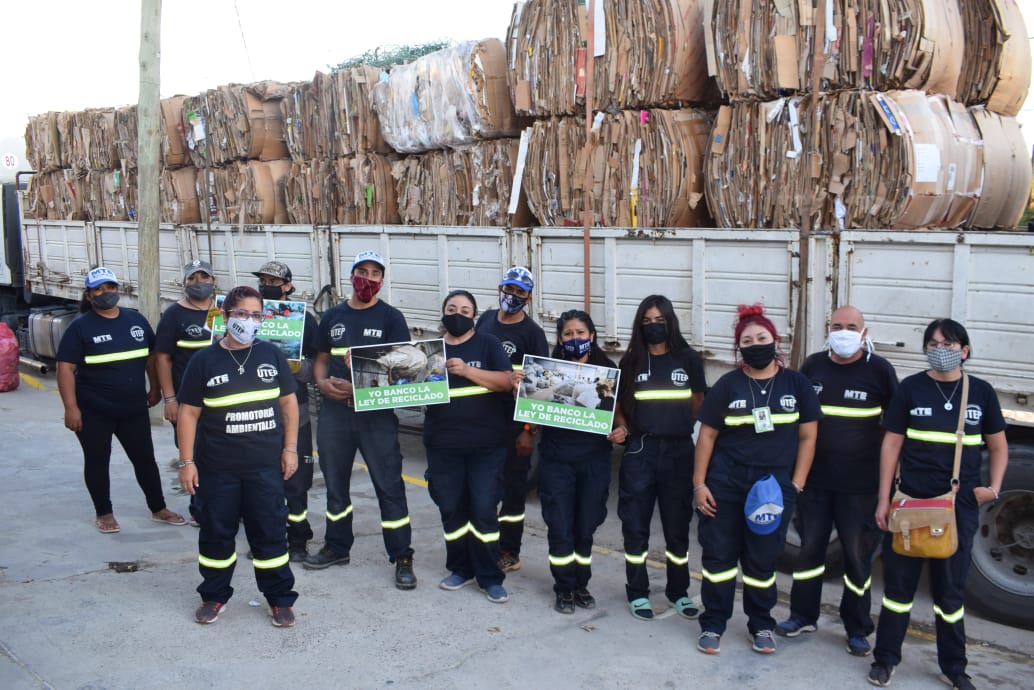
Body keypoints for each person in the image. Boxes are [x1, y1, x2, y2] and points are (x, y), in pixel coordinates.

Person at [867, 318, 1007, 689]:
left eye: (947, 343)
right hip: (909, 501)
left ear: (964, 350)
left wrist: (993, 488)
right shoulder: (911, 389)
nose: (939, 349)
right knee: (898, 590)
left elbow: (998, 445)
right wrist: (884, 500)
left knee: (950, 592)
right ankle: (885, 660)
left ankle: (954, 667)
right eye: (932, 343)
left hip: (957, 505)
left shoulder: (981, 392)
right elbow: (891, 446)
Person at [694, 303, 819, 655]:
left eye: (762, 337)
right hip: (726, 482)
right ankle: (714, 623)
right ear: (739, 348)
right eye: (747, 340)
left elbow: (809, 437)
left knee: (762, 560)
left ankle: (761, 625)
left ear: (774, 340)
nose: (756, 343)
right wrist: (700, 484)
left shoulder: (797, 384)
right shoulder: (728, 385)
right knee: (718, 558)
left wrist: (796, 483)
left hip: (773, 485)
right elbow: (706, 437)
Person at [776, 306, 898, 655]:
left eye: (851, 326)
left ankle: (857, 628)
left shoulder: (879, 371)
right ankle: (802, 615)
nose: (843, 332)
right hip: (814, 484)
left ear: (864, 332)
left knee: (857, 561)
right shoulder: (813, 366)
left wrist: (887, 489)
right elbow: (795, 420)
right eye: (837, 326)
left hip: (860, 487)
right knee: (809, 552)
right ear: (827, 330)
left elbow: (896, 430)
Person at [176, 285, 300, 627]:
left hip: (265, 468)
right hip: (217, 469)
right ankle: (214, 596)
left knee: (271, 534)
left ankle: (279, 599)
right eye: (242, 313)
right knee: (216, 534)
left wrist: (290, 449)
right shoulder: (204, 360)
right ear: (226, 315)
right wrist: (187, 462)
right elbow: (188, 414)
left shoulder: (272, 355)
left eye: (256, 314)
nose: (249, 321)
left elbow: (289, 404)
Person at [307, 250, 417, 590]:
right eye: (361, 271)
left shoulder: (391, 318)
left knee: (389, 488)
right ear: (351, 276)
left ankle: (402, 556)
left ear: (381, 282)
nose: (366, 279)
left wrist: (360, 392)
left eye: (373, 273)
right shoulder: (333, 318)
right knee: (335, 486)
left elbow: (404, 369)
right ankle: (337, 547)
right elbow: (321, 359)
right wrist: (323, 384)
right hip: (336, 414)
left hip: (376, 416)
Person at [56, 266, 186, 534]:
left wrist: (155, 390)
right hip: (93, 411)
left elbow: (151, 358)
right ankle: (103, 512)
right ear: (89, 295)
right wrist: (71, 408)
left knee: (145, 460)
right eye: (99, 290)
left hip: (133, 409)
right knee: (97, 460)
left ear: (118, 289)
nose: (106, 293)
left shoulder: (135, 321)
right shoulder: (80, 327)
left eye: (110, 287)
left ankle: (158, 508)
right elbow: (65, 369)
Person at [613, 295, 707, 621]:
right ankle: (638, 592)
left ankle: (678, 591)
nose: (654, 326)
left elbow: (698, 402)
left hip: (680, 452)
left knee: (677, 528)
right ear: (640, 325)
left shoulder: (689, 359)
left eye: (660, 320)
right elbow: (620, 405)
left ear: (671, 322)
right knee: (635, 527)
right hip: (641, 450)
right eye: (647, 320)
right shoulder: (630, 362)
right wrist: (624, 427)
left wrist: (676, 427)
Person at [425, 290, 514, 603]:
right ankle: (460, 568)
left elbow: (506, 382)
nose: (458, 314)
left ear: (474, 316)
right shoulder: (430, 351)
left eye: (465, 309)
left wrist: (466, 371)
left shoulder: (488, 343)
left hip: (485, 447)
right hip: (443, 445)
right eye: (452, 308)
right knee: (451, 510)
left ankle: (490, 576)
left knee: (484, 510)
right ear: (443, 313)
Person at [531, 309, 622, 613]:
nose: (575, 339)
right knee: (559, 526)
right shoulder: (547, 370)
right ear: (559, 338)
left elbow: (615, 411)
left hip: (593, 461)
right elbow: (533, 407)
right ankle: (563, 588)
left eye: (580, 333)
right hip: (556, 460)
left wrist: (620, 429)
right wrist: (525, 390)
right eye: (568, 334)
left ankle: (581, 585)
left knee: (585, 527)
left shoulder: (606, 370)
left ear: (592, 336)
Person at [474, 266, 549, 574]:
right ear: (499, 288)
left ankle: (509, 550)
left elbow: (540, 390)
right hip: (483, 419)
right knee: (485, 487)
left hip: (515, 423)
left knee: (513, 491)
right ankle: (485, 546)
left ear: (528, 298)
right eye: (509, 288)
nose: (513, 296)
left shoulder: (533, 335)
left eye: (520, 292)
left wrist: (529, 432)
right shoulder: (485, 320)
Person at [253, 260, 320, 562]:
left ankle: (297, 540)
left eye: (273, 281)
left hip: (296, 411)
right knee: (261, 480)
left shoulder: (304, 320)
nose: (266, 284)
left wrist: (292, 364)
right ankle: (269, 540)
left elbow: (314, 371)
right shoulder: (247, 315)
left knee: (296, 482)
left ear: (288, 286)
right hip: (255, 412)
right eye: (263, 280)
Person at [155, 259, 216, 525]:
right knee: (193, 453)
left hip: (222, 401)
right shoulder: (174, 315)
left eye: (204, 277)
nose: (199, 283)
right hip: (188, 402)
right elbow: (162, 359)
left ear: (214, 282)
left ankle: (226, 506)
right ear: (184, 284)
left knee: (222, 453)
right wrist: (170, 399)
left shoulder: (226, 311)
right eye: (192, 279)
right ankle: (200, 509)